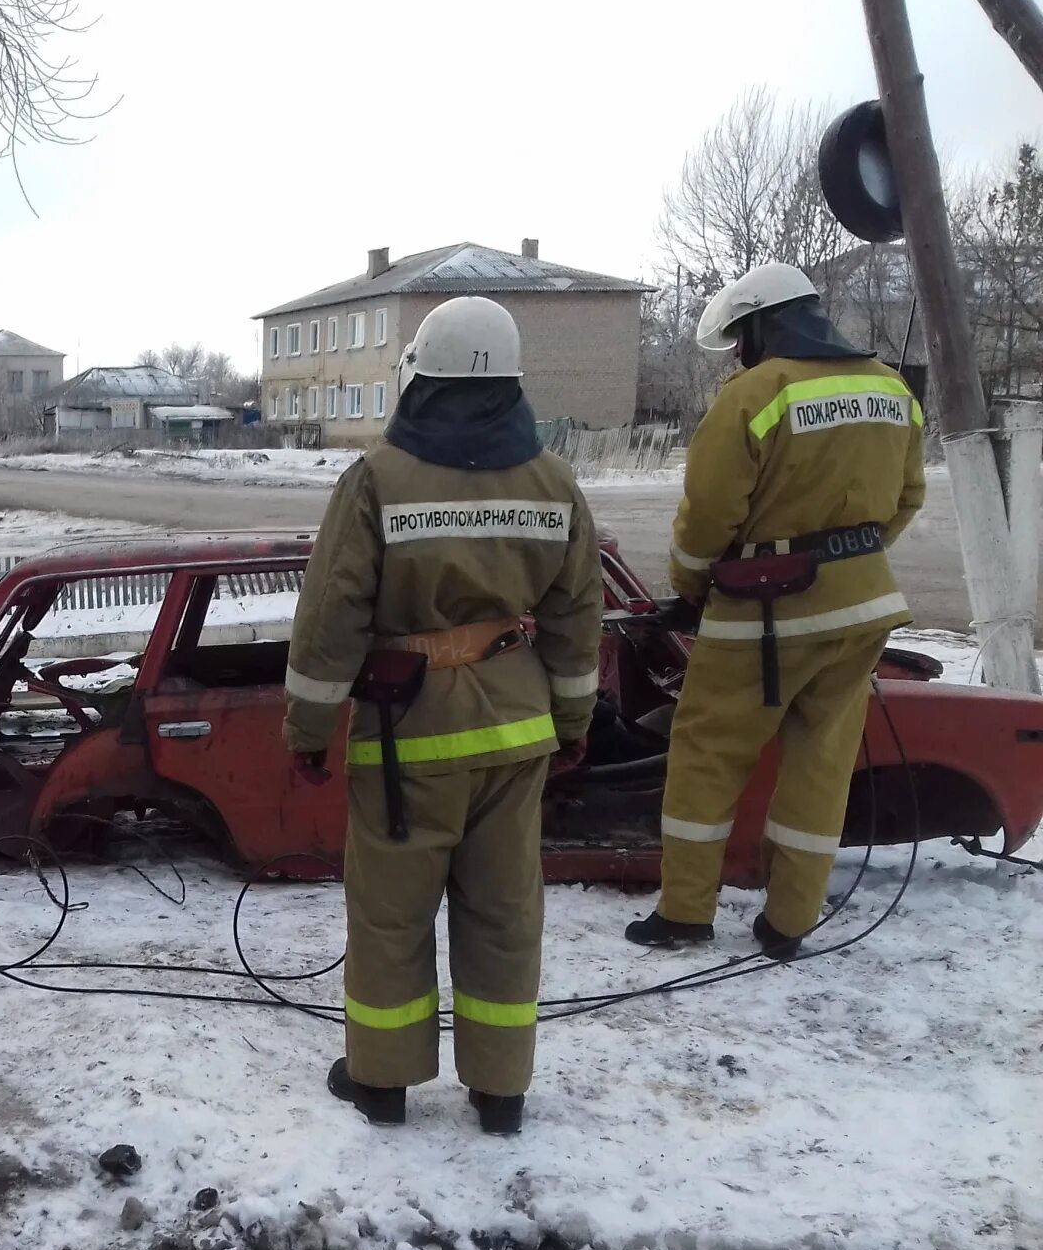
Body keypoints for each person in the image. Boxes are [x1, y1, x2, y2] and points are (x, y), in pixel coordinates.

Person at [283, 296, 603, 1135]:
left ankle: (381, 1081)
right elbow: (576, 620)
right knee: (504, 911)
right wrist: (573, 724)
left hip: (407, 737)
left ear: (417, 380)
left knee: (391, 912)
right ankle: (501, 1092)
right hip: (516, 728)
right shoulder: (553, 482)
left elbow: (331, 619)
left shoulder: (377, 482)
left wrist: (308, 733)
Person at [627, 263, 925, 961]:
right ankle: (789, 923)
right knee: (821, 766)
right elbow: (908, 498)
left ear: (764, 324)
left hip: (764, 613)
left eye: (741, 337)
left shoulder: (756, 395)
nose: (739, 351)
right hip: (864, 607)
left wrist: (690, 587)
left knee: (706, 754)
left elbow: (708, 516)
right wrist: (849, 558)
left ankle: (685, 913)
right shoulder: (891, 389)